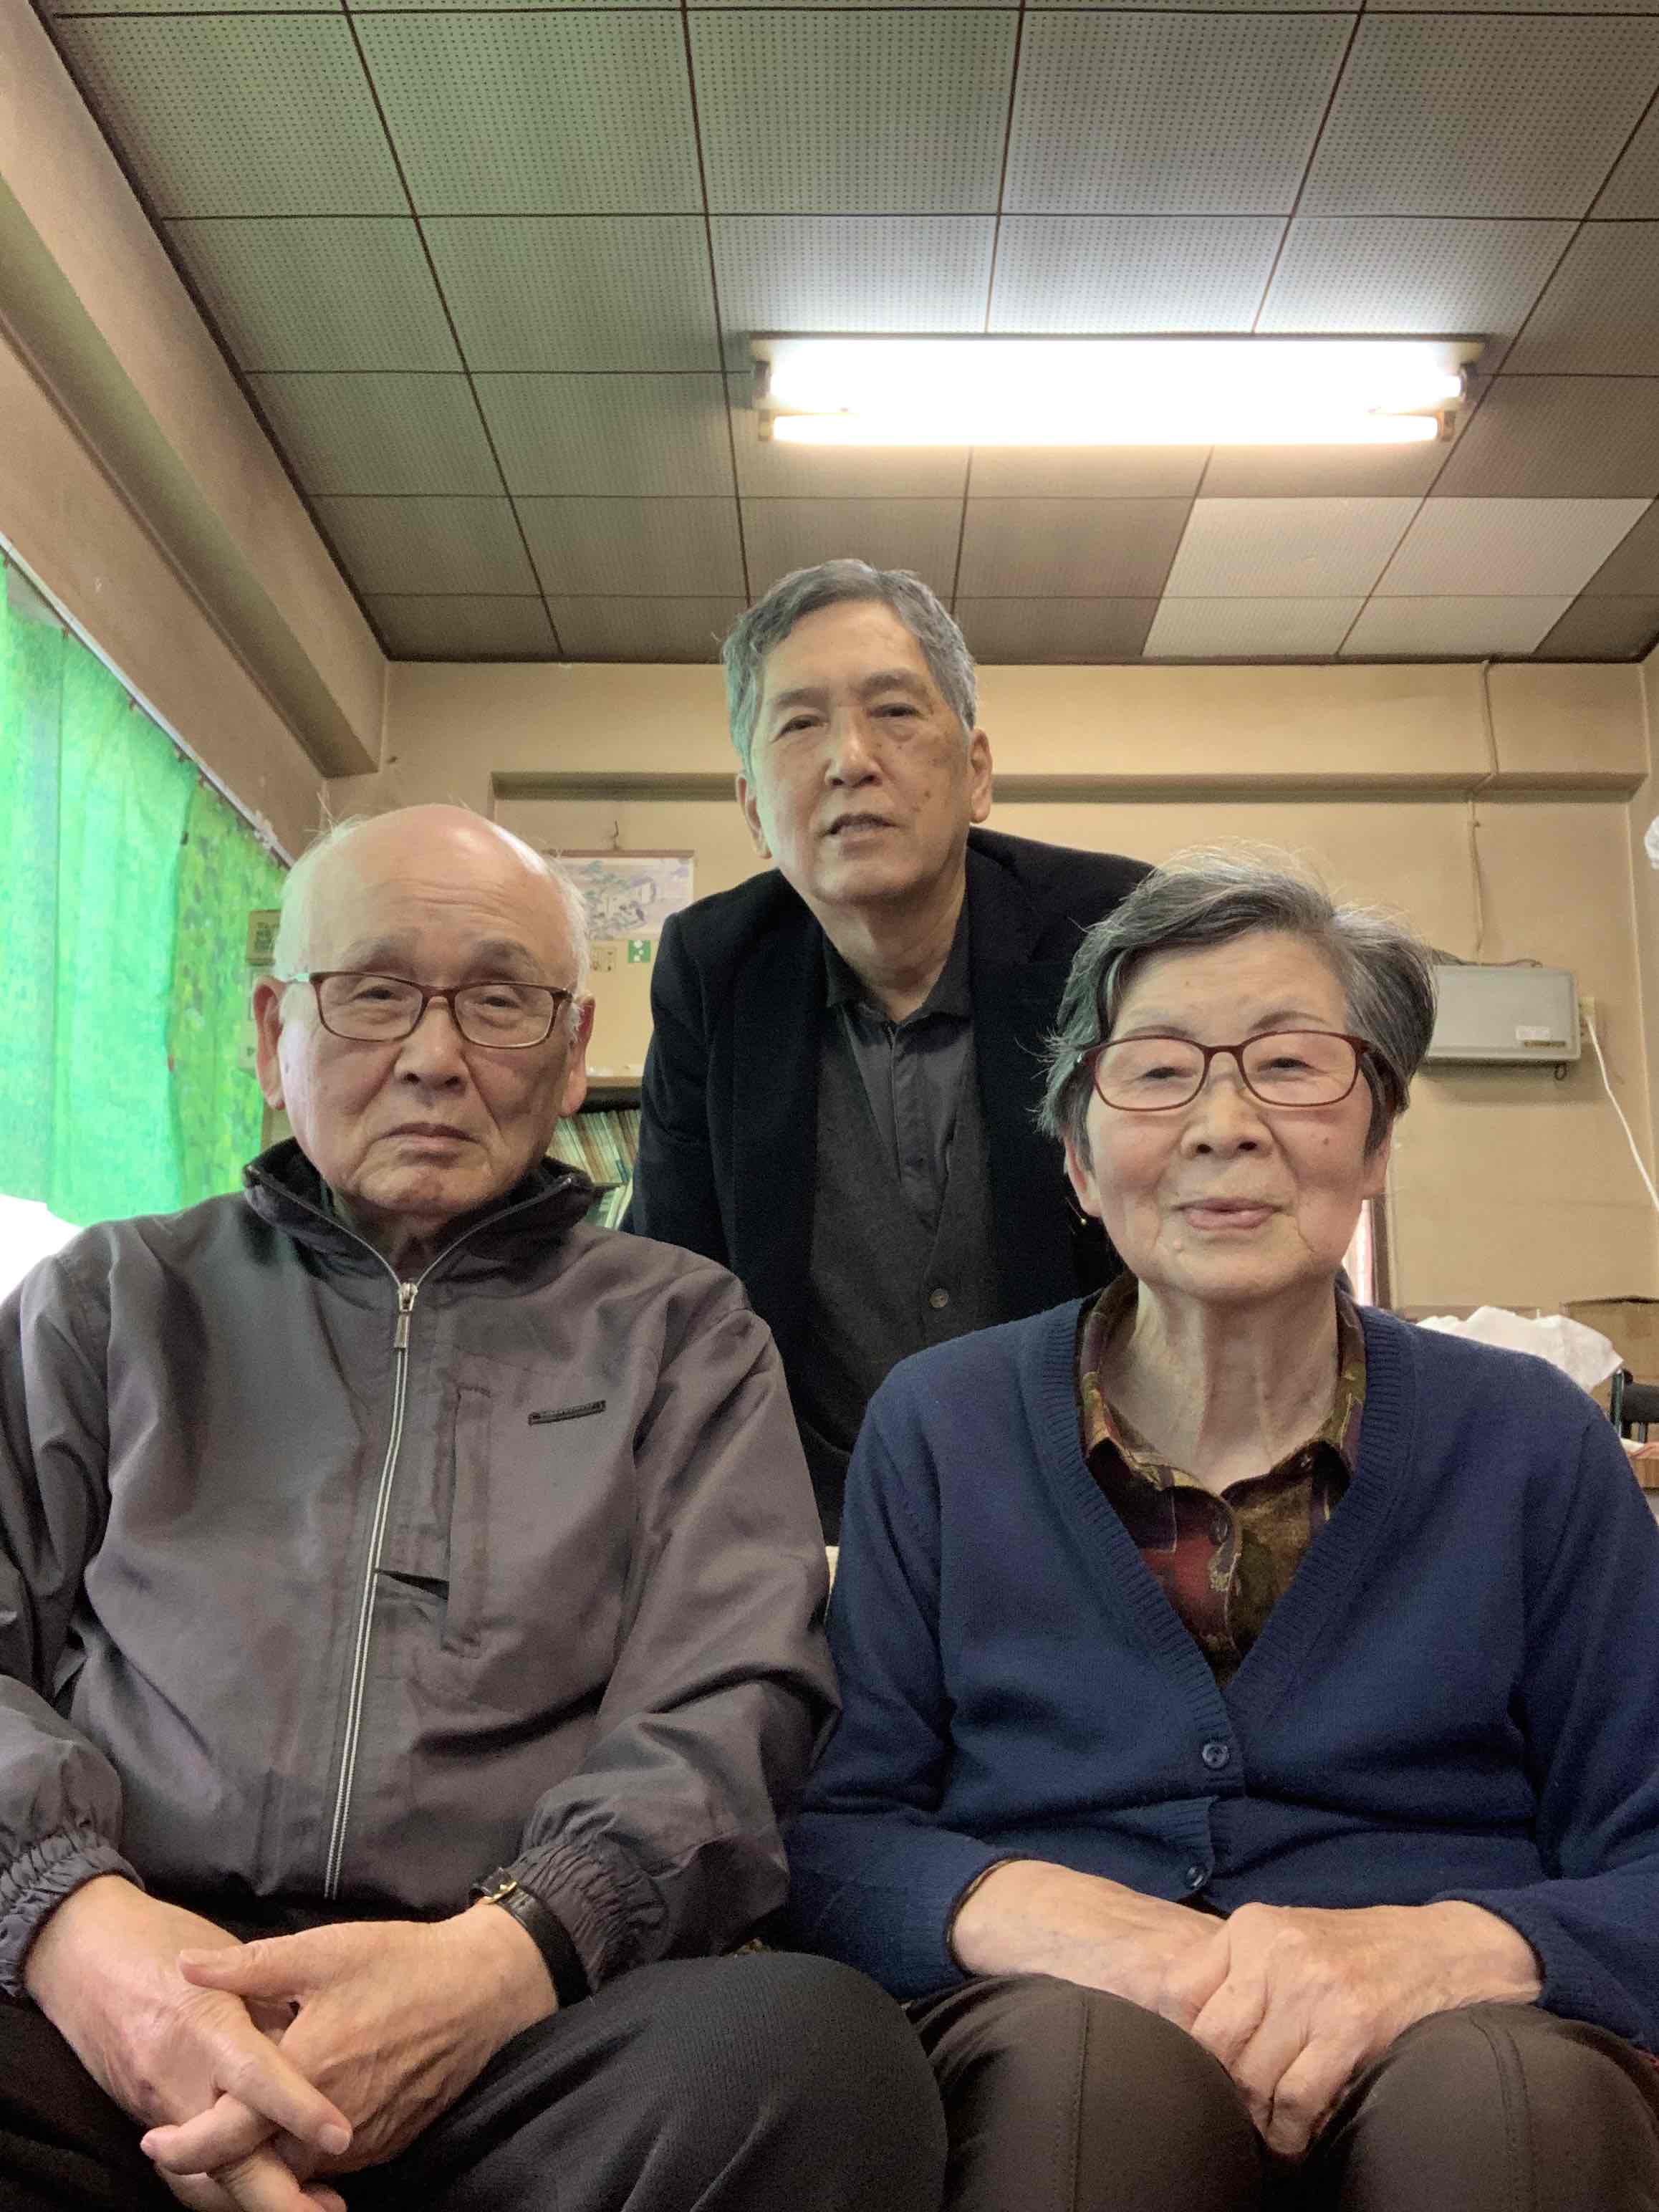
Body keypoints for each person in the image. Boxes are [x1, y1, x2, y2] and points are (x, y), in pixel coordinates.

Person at [0, 805, 944, 2212]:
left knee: (820, 2064)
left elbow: (731, 1703)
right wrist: (77, 1928)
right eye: (375, 991)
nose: (435, 1056)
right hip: (129, 1971)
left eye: (500, 1001)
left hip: (522, 2019)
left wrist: (502, 1958)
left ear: (570, 1053)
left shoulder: (683, 1335)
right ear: (271, 1033)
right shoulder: (108, 1305)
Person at [788, 848, 1659, 2212]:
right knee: (1088, 2092)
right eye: (1157, 1071)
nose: (1224, 1123)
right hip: (1056, 2023)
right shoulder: (940, 1427)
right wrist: (1062, 1921)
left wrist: (1446, 1951)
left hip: (1461, 2031)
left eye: (1291, 1065)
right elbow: (839, 1837)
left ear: (1377, 1141)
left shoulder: (1534, 1441)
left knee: (1507, 2107)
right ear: (1079, 1158)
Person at [627, 559, 1147, 1534]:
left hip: (1094, 1507)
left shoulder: (1113, 934)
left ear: (977, 772)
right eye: (799, 725)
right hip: (815, 1526)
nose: (850, 760)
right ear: (753, 809)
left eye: (895, 712)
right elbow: (668, 1278)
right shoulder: (713, 969)